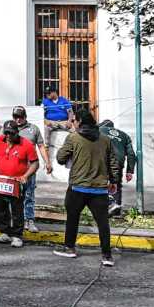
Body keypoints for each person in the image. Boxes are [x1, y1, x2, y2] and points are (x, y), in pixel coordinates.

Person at [54, 109, 119, 266]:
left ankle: (70, 248)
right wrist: (114, 181)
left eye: (74, 120)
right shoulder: (105, 139)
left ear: (80, 122)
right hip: (100, 189)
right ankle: (107, 256)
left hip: (78, 187)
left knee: (73, 218)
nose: (72, 123)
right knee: (103, 223)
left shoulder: (73, 138)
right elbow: (113, 162)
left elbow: (60, 159)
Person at [0, 121, 39, 248]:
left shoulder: (26, 144)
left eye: (11, 133)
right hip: (0, 180)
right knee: (1, 207)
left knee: (17, 209)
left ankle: (17, 235)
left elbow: (35, 163)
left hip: (16, 181)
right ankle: (4, 232)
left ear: (17, 132)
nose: (8, 136)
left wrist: (25, 176)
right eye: (6, 133)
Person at [11, 106, 51, 233]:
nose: (18, 120)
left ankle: (29, 219)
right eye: (15, 117)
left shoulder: (33, 129)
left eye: (20, 117)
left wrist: (47, 162)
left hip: (29, 169)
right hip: (13, 169)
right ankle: (16, 219)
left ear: (25, 117)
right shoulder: (8, 128)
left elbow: (41, 146)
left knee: (29, 194)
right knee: (13, 195)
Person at [99, 119, 136, 216]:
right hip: (119, 162)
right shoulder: (124, 135)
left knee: (101, 184)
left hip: (105, 160)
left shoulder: (100, 129)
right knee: (116, 184)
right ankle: (116, 210)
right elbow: (131, 154)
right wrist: (129, 171)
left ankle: (105, 208)